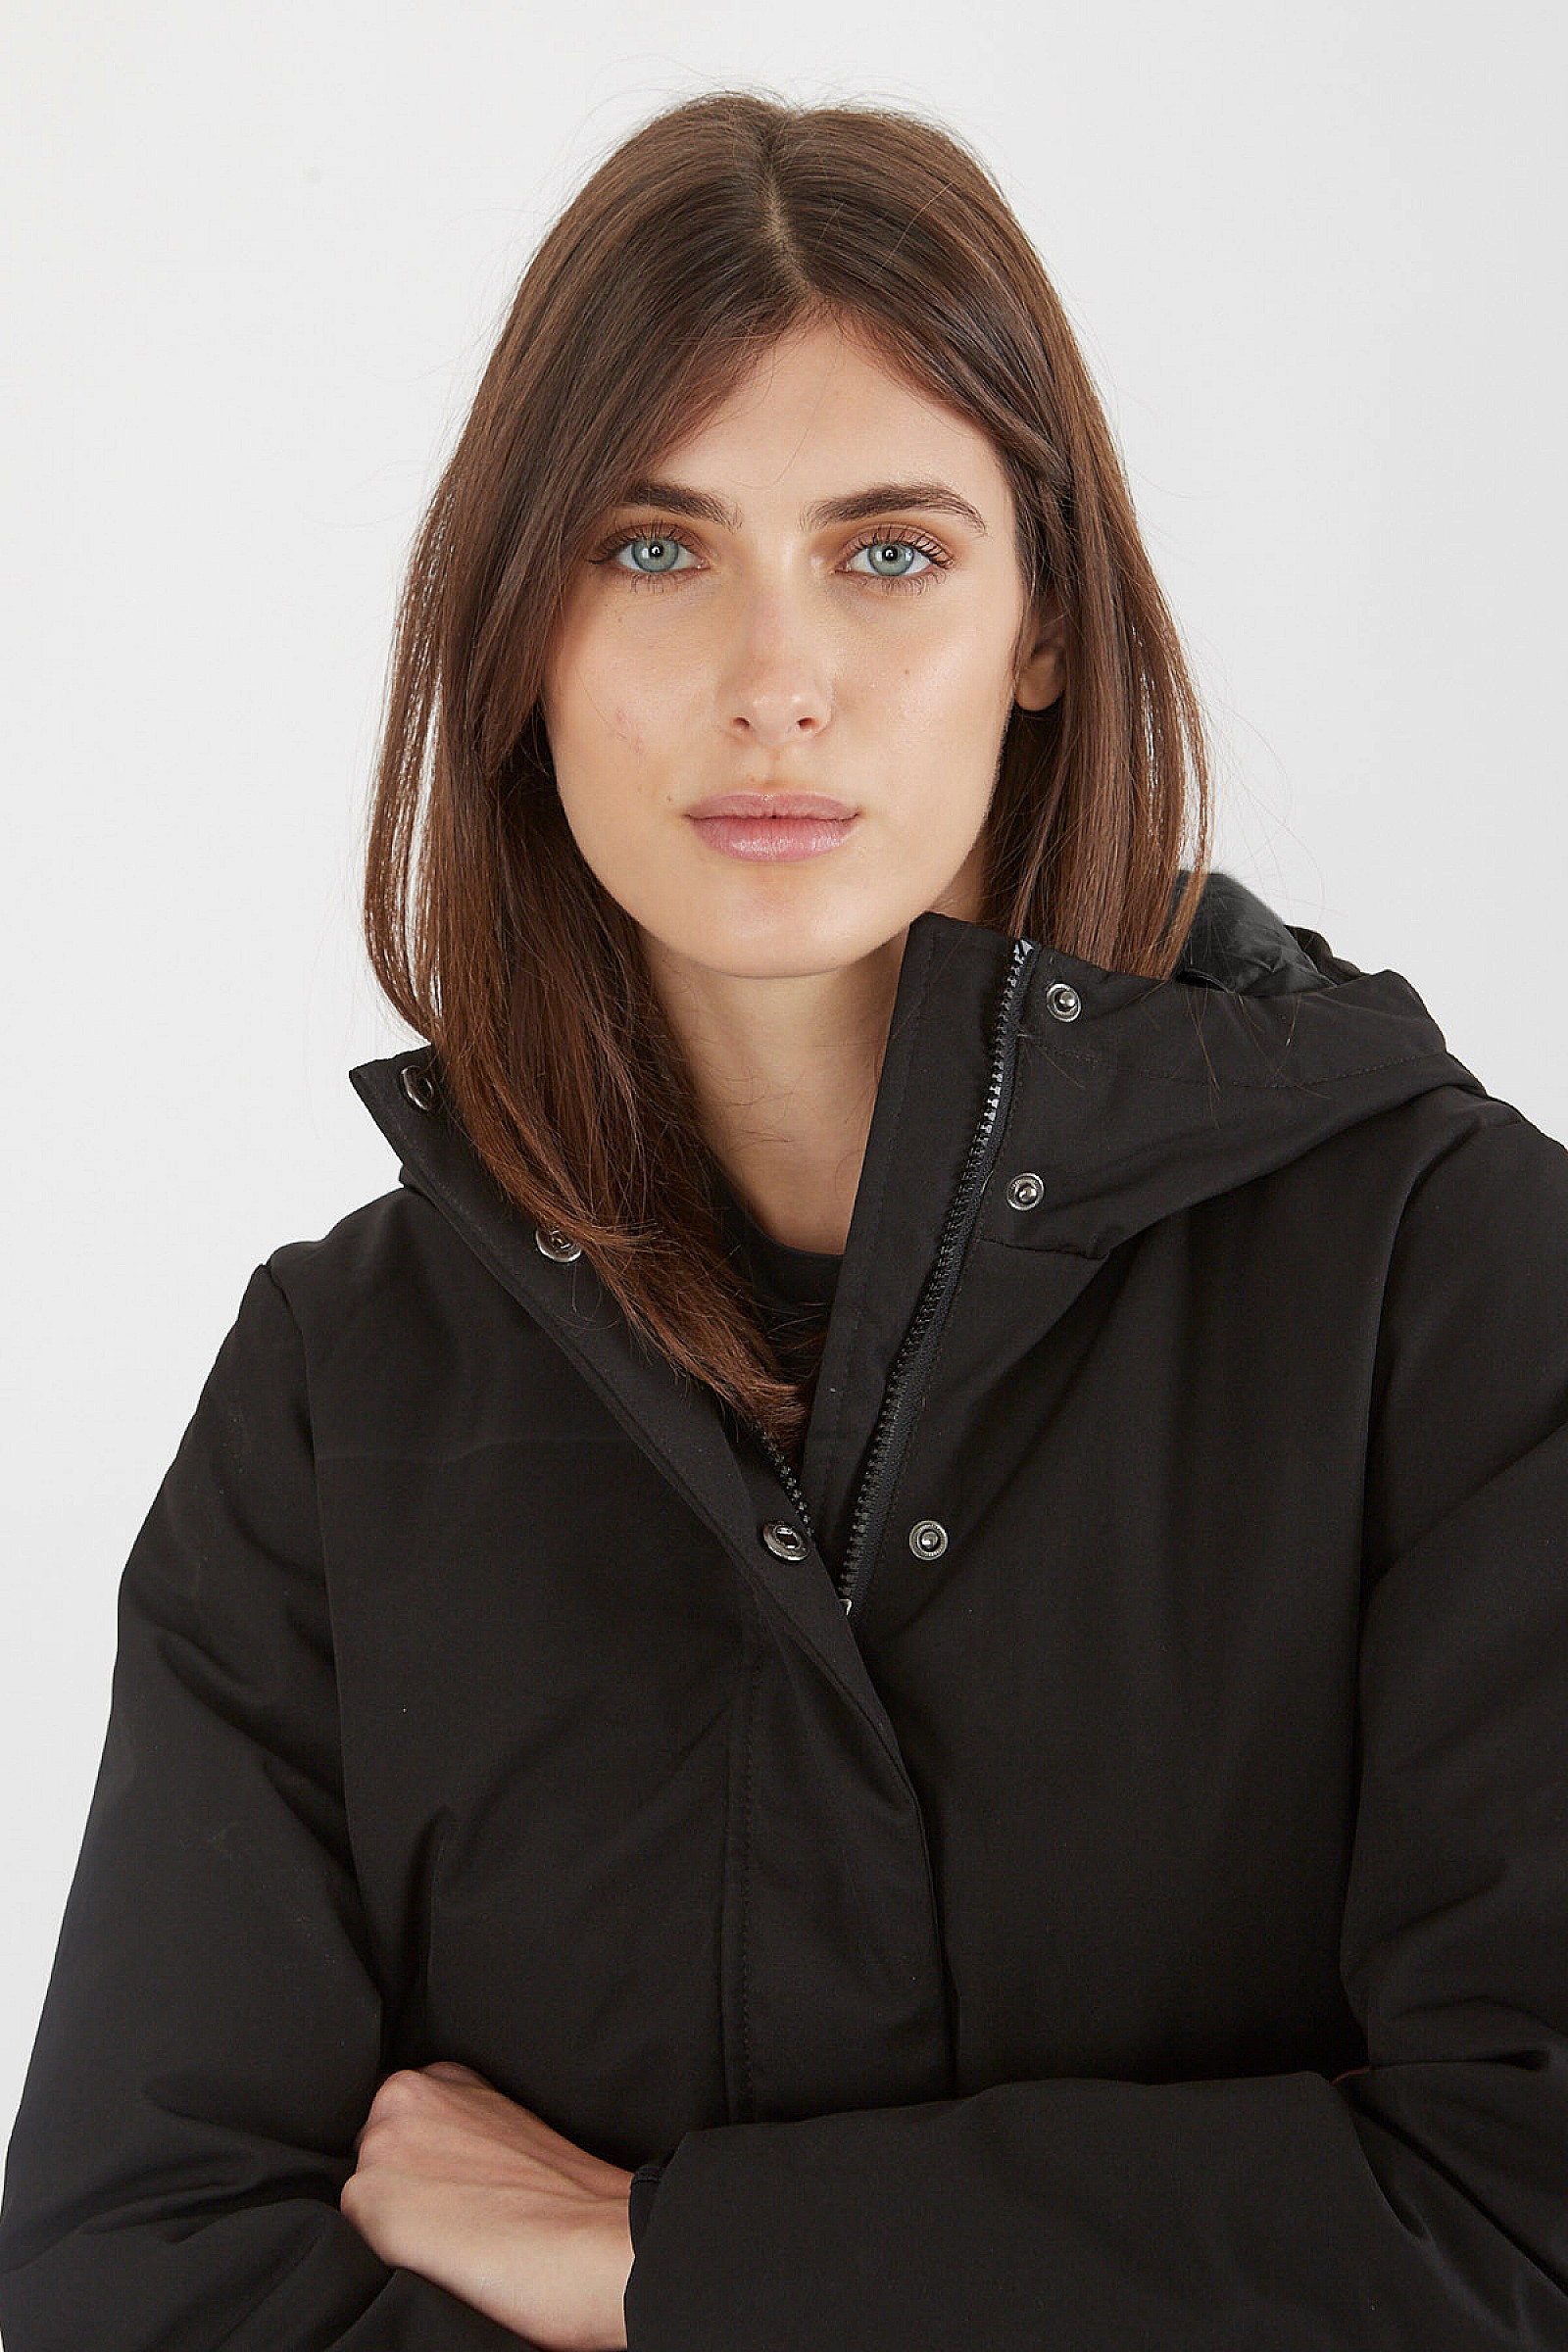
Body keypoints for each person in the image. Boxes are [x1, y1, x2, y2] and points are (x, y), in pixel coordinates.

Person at [1, 83, 1565, 2352]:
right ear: (516, 634)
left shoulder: (1451, 1285)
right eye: (652, 550)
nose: (771, 683)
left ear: (1042, 625)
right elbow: (133, 2285)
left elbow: (1524, 2222)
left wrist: (662, 2262)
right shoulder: (341, 1398)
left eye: (887, 552)